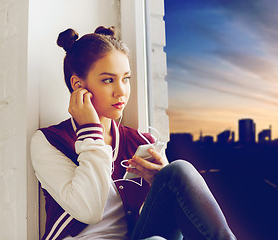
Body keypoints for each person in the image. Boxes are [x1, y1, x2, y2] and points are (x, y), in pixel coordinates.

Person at [30, 26, 236, 240]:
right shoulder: (50, 141)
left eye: (126, 78)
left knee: (177, 171)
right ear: (78, 85)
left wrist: (158, 184)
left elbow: (155, 219)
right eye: (108, 80)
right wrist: (90, 131)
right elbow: (88, 210)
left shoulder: (140, 142)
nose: (121, 91)